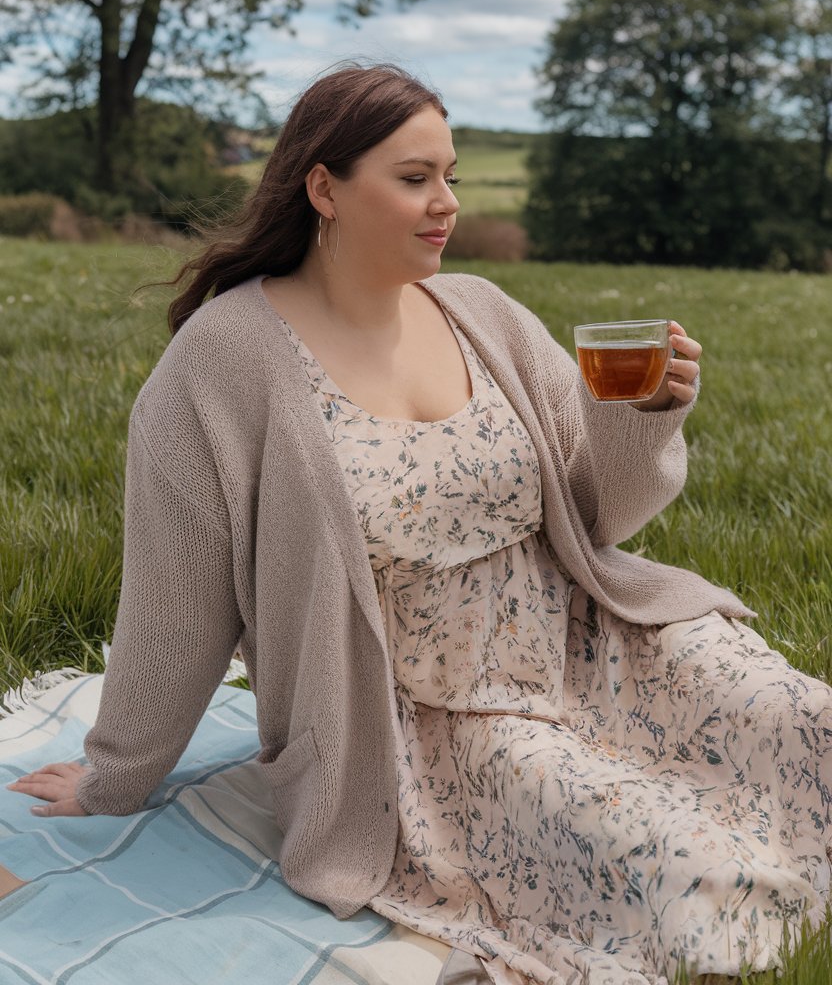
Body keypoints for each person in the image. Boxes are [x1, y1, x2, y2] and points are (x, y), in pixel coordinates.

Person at [8, 63, 831, 984]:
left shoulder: (483, 312)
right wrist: (115, 774)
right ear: (324, 187)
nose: (444, 203)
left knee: (805, 725)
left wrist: (642, 419)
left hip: (588, 639)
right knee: (685, 870)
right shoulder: (222, 366)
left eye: (450, 177)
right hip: (423, 725)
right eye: (413, 179)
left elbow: (598, 515)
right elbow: (174, 601)